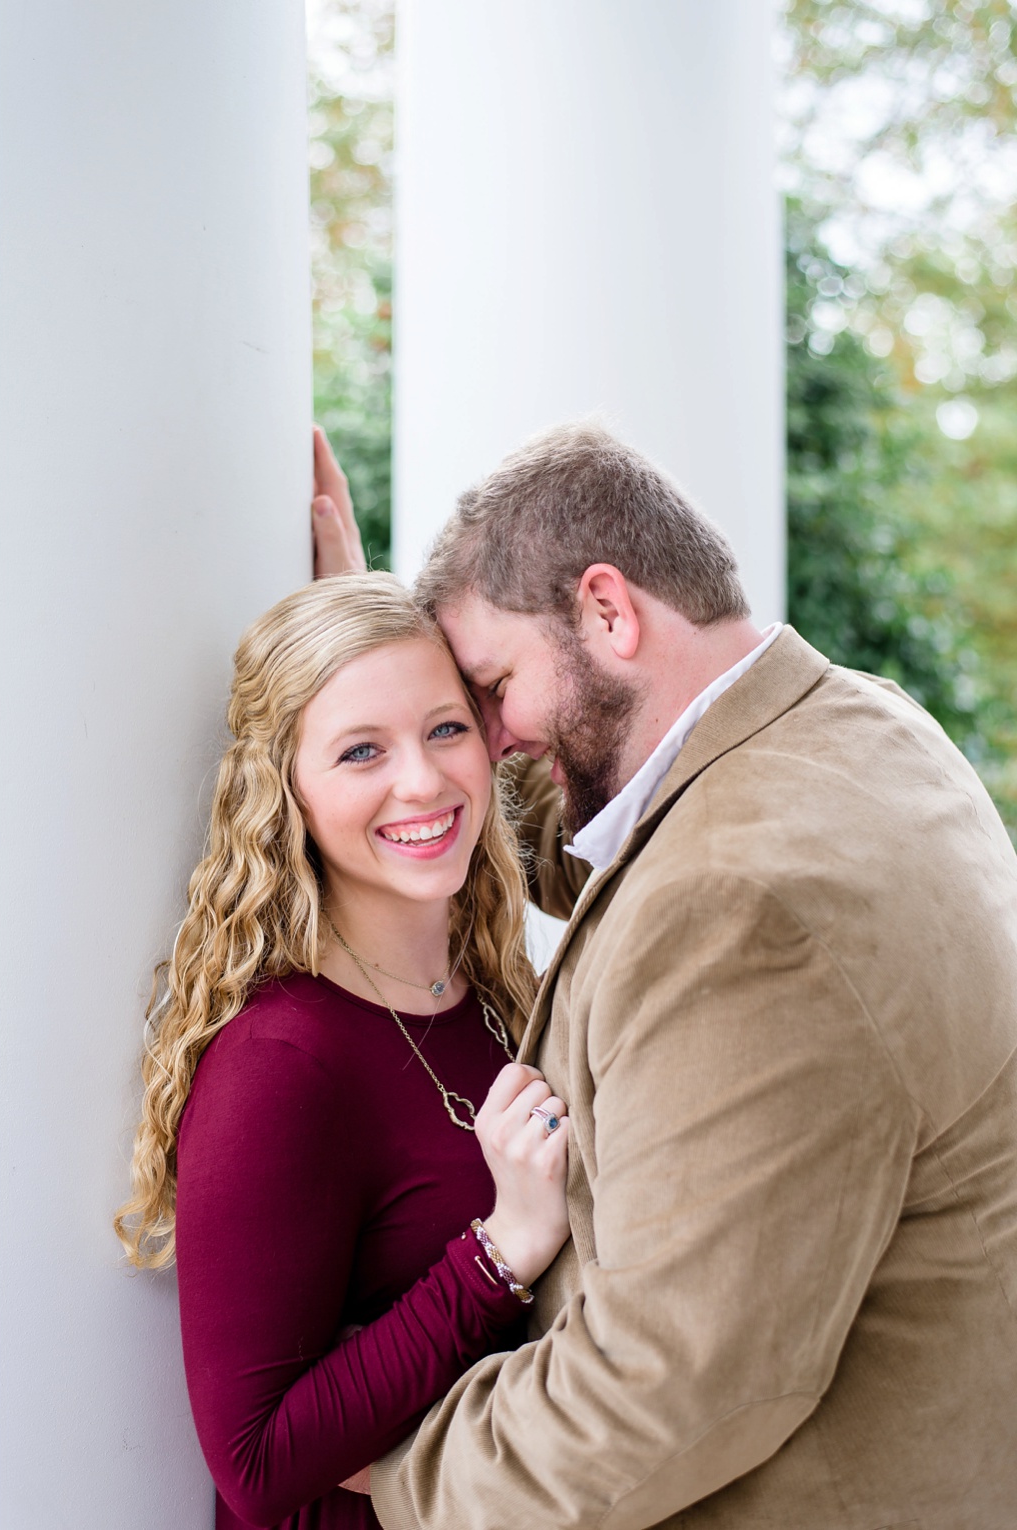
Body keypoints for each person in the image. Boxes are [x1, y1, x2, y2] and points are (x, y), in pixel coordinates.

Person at [313, 422, 1017, 1529]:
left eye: (490, 689)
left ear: (606, 610)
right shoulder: (855, 731)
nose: (487, 741)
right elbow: (592, 850)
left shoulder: (740, 903)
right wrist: (370, 679)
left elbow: (669, 1386)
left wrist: (396, 1470)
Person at [118, 573, 578, 1529]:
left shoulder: (494, 995)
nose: (422, 780)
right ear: (285, 790)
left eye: (446, 729)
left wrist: (370, 592)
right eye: (360, 750)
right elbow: (254, 1462)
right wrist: (502, 1252)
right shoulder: (281, 1064)